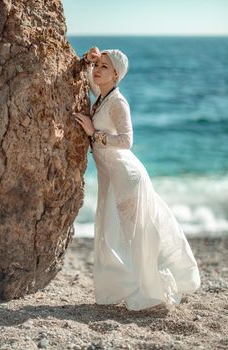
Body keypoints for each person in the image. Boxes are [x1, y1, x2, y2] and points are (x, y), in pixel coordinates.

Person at [74, 47, 201, 311]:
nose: (98, 71)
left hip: (128, 178)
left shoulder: (118, 102)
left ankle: (154, 288)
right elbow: (88, 77)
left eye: (104, 67)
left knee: (137, 236)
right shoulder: (102, 97)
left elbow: (127, 141)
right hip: (112, 178)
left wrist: (93, 133)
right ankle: (121, 287)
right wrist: (88, 59)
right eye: (99, 65)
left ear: (117, 75)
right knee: (113, 234)